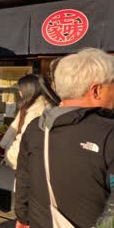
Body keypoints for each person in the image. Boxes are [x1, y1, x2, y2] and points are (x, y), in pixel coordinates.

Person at [15, 48, 114, 228]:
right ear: (96, 90)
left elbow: (24, 178)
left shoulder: (37, 128)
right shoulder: (109, 133)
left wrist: (23, 217)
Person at [0, 74, 60, 170]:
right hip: (33, 162)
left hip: (29, 165)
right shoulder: (34, 108)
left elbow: (24, 140)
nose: (19, 92)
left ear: (29, 90)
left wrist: (10, 153)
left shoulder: (36, 112)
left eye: (21, 89)